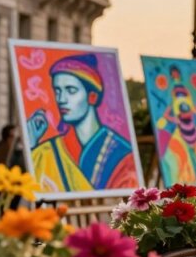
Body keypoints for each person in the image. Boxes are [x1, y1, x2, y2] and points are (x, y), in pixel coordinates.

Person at [29, 54, 136, 191]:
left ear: (92, 97)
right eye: (57, 91)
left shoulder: (122, 155)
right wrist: (31, 146)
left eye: (71, 91)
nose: (61, 99)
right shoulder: (46, 151)